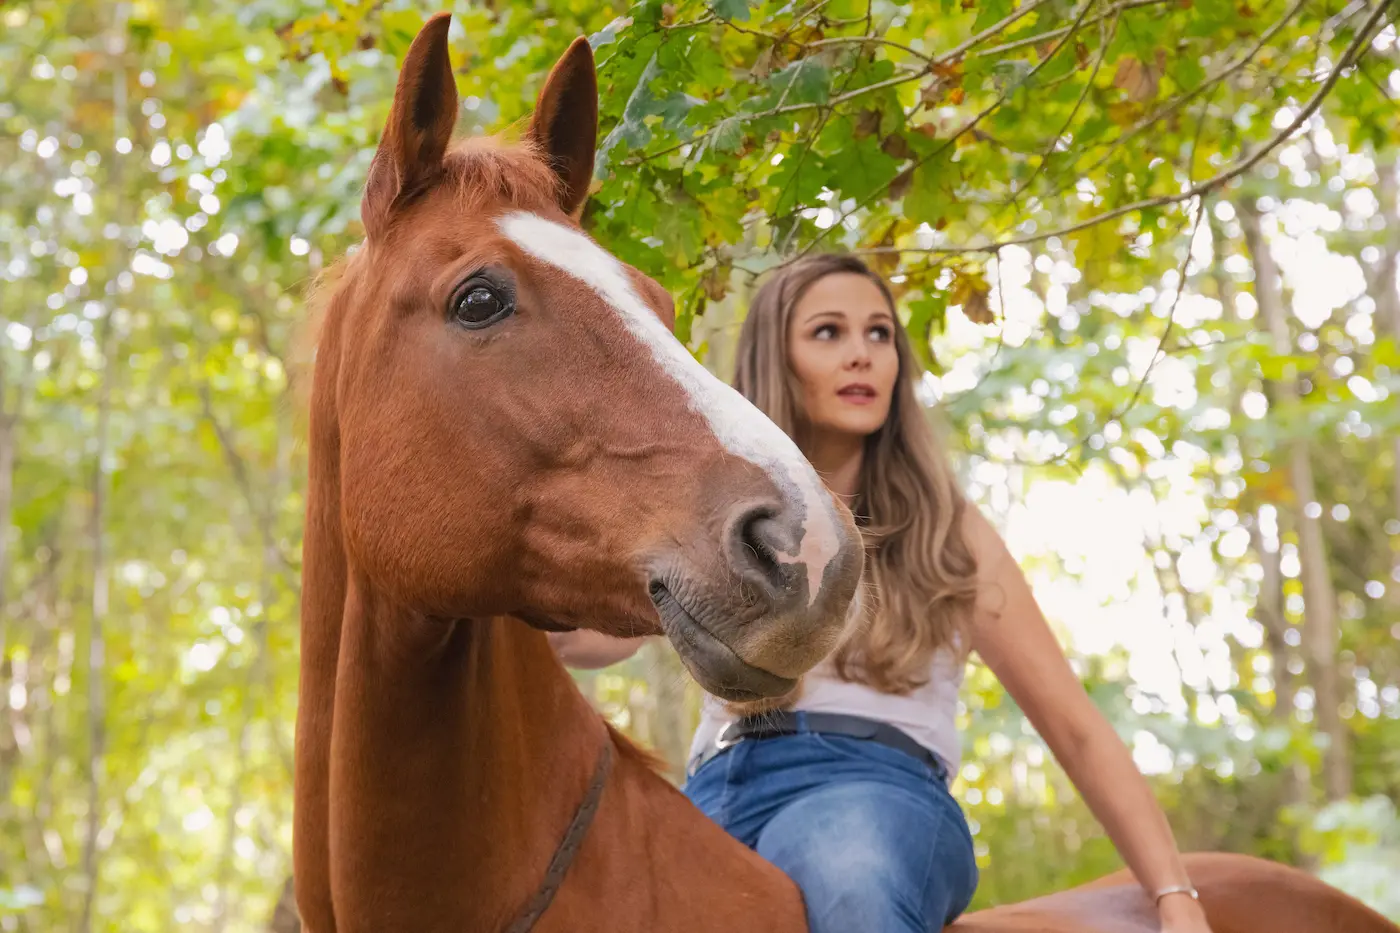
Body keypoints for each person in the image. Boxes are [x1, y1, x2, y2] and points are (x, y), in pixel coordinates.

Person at [548, 253, 1214, 933]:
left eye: (879, 334)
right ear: (776, 358)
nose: (862, 355)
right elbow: (601, 631)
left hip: (874, 789)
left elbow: (1075, 727)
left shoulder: (947, 530)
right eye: (829, 332)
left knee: (851, 879)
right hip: (712, 791)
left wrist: (1174, 896)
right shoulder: (726, 519)